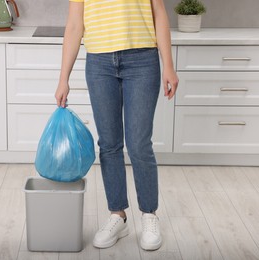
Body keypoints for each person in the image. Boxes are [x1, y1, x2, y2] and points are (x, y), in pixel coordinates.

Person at [55, 0, 179, 251]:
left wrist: (169, 65)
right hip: (99, 63)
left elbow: (159, 13)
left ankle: (149, 215)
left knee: (139, 144)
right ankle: (117, 215)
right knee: (109, 144)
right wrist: (63, 78)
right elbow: (75, 24)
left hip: (143, 60)